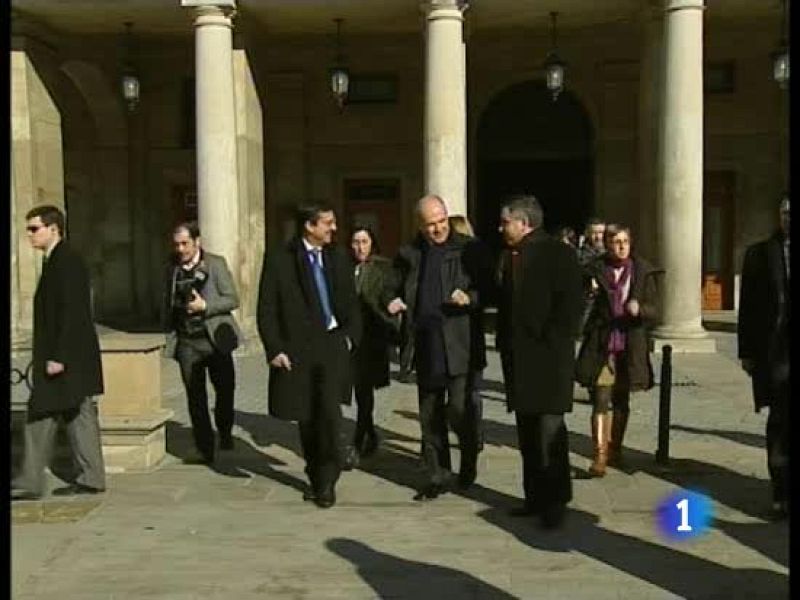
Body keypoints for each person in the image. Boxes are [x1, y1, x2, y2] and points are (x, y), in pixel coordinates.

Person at [257, 204, 361, 509]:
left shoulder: (338, 256)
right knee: (307, 418)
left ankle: (327, 480)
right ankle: (316, 474)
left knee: (329, 414)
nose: (334, 228)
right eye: (328, 223)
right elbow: (267, 308)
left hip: (332, 344)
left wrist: (351, 337)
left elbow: (351, 302)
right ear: (309, 226)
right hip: (298, 349)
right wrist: (274, 348)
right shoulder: (281, 258)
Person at [388, 196, 488, 500]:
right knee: (430, 415)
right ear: (420, 225)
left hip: (460, 343)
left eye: (442, 221)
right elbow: (391, 285)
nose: (438, 228)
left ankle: (468, 456)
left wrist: (470, 298)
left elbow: (489, 288)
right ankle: (437, 475)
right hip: (425, 343)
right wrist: (391, 300)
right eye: (431, 224)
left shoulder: (469, 249)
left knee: (459, 409)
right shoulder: (409, 253)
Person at [496, 195, 583, 529]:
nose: (501, 228)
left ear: (524, 223)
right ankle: (533, 497)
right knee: (528, 435)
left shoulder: (559, 254)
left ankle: (555, 501)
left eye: (506, 222)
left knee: (550, 434)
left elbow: (569, 309)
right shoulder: (510, 256)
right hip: (520, 363)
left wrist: (550, 343)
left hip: (549, 362)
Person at [12, 205, 106, 500]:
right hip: (68, 358)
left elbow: (73, 313)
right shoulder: (57, 260)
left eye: (34, 228)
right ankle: (91, 477)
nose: (30, 234)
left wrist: (59, 357)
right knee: (77, 413)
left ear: (53, 229)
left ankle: (31, 481)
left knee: (43, 412)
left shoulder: (67, 261)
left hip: (65, 358)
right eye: (28, 229)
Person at [575, 224, 660, 478]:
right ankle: (599, 455)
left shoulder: (642, 272)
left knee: (622, 400)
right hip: (603, 344)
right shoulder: (594, 270)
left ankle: (616, 450)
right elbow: (579, 306)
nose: (621, 247)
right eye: (616, 242)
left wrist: (640, 309)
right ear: (607, 244)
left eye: (625, 242)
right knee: (601, 399)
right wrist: (589, 293)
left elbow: (655, 310)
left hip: (630, 343)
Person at [163, 222, 242, 465]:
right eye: (176, 244)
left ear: (197, 242)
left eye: (185, 244)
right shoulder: (172, 266)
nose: (180, 249)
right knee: (195, 397)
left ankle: (225, 431)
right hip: (187, 341)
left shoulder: (215, 264)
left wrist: (205, 306)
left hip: (214, 340)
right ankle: (204, 448)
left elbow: (232, 299)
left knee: (225, 390)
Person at [738, 195, 790, 520]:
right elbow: (748, 308)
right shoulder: (759, 254)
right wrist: (746, 351)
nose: (789, 218)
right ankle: (780, 493)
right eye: (785, 213)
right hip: (777, 352)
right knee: (781, 421)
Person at [349, 225, 398, 462]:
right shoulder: (346, 269)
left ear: (372, 243)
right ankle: (368, 433)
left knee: (364, 390)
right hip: (350, 339)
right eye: (356, 242)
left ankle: (359, 439)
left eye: (364, 242)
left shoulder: (383, 268)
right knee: (360, 391)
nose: (360, 247)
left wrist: (390, 304)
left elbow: (388, 293)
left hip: (371, 339)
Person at [449, 214, 491, 452]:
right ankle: (475, 434)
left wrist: (469, 298)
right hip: (469, 337)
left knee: (468, 391)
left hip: (468, 336)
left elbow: (486, 291)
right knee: (471, 391)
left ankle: (472, 434)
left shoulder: (473, 258)